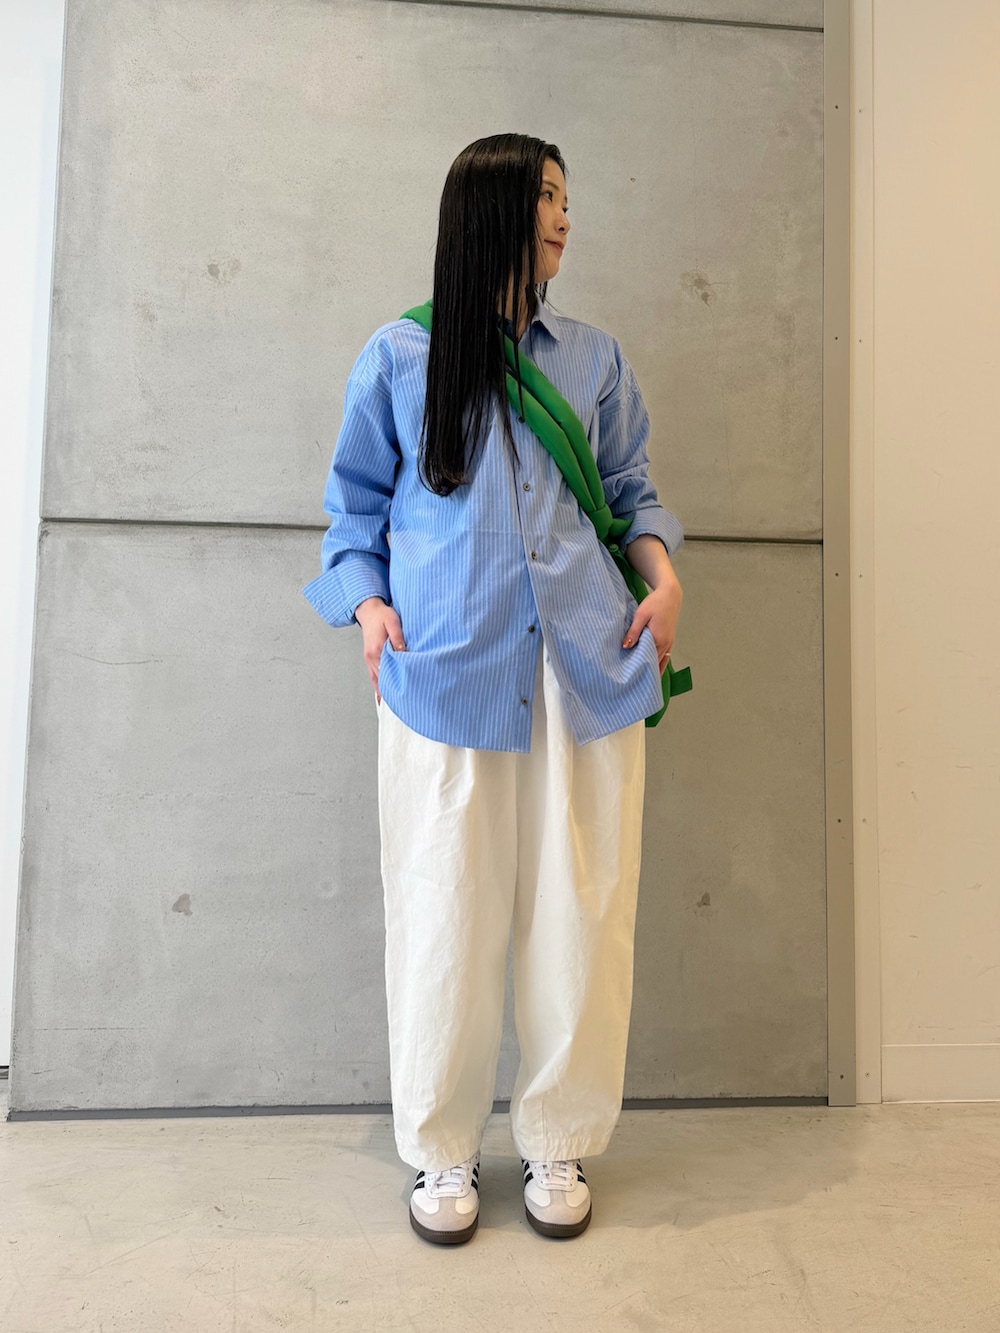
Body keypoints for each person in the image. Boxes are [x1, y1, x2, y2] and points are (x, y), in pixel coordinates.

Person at [303, 133, 684, 1245]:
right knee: (444, 909)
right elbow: (351, 510)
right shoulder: (398, 355)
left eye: (567, 197)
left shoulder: (593, 358)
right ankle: (442, 1148)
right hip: (446, 669)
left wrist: (664, 578)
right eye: (547, 197)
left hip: (585, 664)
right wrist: (368, 608)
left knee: (581, 912)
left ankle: (557, 1138)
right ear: (491, 210)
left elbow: (631, 489)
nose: (565, 218)